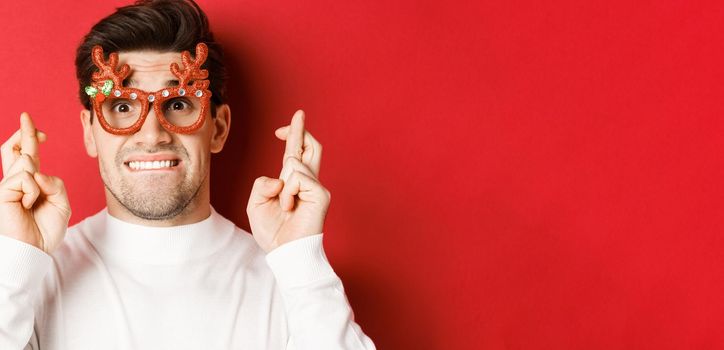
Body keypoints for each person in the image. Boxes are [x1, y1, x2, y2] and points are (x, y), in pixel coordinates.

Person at [0, 0, 375, 349]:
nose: (151, 134)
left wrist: (300, 258)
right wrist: (14, 258)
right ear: (89, 131)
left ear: (219, 128)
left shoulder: (288, 281)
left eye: (178, 104)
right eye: (121, 105)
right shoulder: (34, 280)